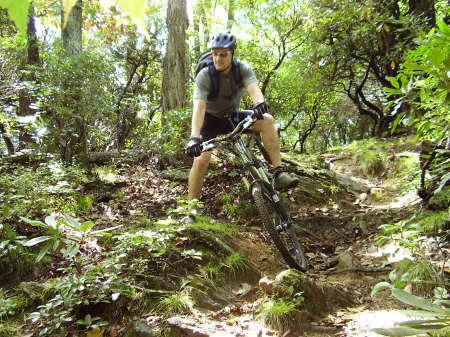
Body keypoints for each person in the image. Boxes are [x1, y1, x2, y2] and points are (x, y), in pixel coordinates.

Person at [185, 32, 299, 202]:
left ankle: (279, 172)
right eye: (215, 54)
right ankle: (191, 209)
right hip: (209, 121)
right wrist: (194, 138)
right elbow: (199, 108)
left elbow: (253, 89)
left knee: (267, 120)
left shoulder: (242, 69)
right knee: (201, 159)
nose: (218, 59)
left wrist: (260, 103)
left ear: (233, 54)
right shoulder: (205, 75)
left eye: (223, 54)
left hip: (231, 117)